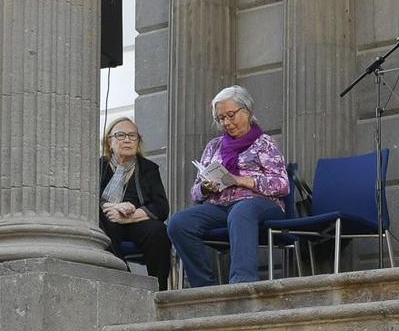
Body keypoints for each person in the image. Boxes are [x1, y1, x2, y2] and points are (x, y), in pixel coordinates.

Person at [164, 85, 291, 287]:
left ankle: (242, 282)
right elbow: (195, 192)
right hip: (220, 205)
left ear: (247, 111)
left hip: (260, 203)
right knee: (179, 223)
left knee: (241, 211)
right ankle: (204, 286)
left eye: (231, 115)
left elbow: (282, 185)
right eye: (221, 118)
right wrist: (206, 187)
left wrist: (240, 180)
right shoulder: (214, 146)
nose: (227, 123)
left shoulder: (264, 143)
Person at [96, 116, 172, 289]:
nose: (127, 140)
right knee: (103, 223)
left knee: (159, 231)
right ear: (110, 142)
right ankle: (125, 281)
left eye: (132, 136)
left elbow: (161, 207)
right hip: (108, 218)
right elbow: (89, 199)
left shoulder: (148, 168)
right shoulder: (99, 166)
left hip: (136, 219)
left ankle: (158, 289)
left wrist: (129, 216)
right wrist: (114, 207)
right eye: (121, 136)